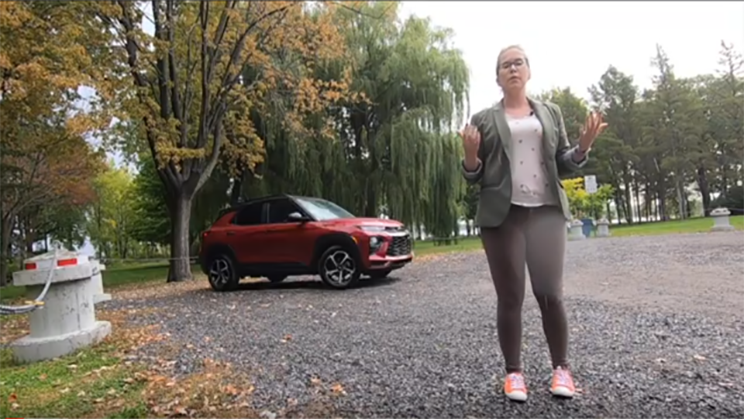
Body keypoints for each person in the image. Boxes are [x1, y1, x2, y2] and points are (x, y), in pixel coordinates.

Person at [459, 45, 607, 402]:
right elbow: (473, 176)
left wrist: (583, 148)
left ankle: (562, 369)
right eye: (505, 65)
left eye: (518, 63)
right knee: (511, 297)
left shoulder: (550, 113)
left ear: (528, 71)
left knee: (550, 293)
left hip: (546, 213)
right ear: (498, 77)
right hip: (502, 217)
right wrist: (470, 156)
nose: (513, 68)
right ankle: (514, 373)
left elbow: (563, 163)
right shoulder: (483, 119)